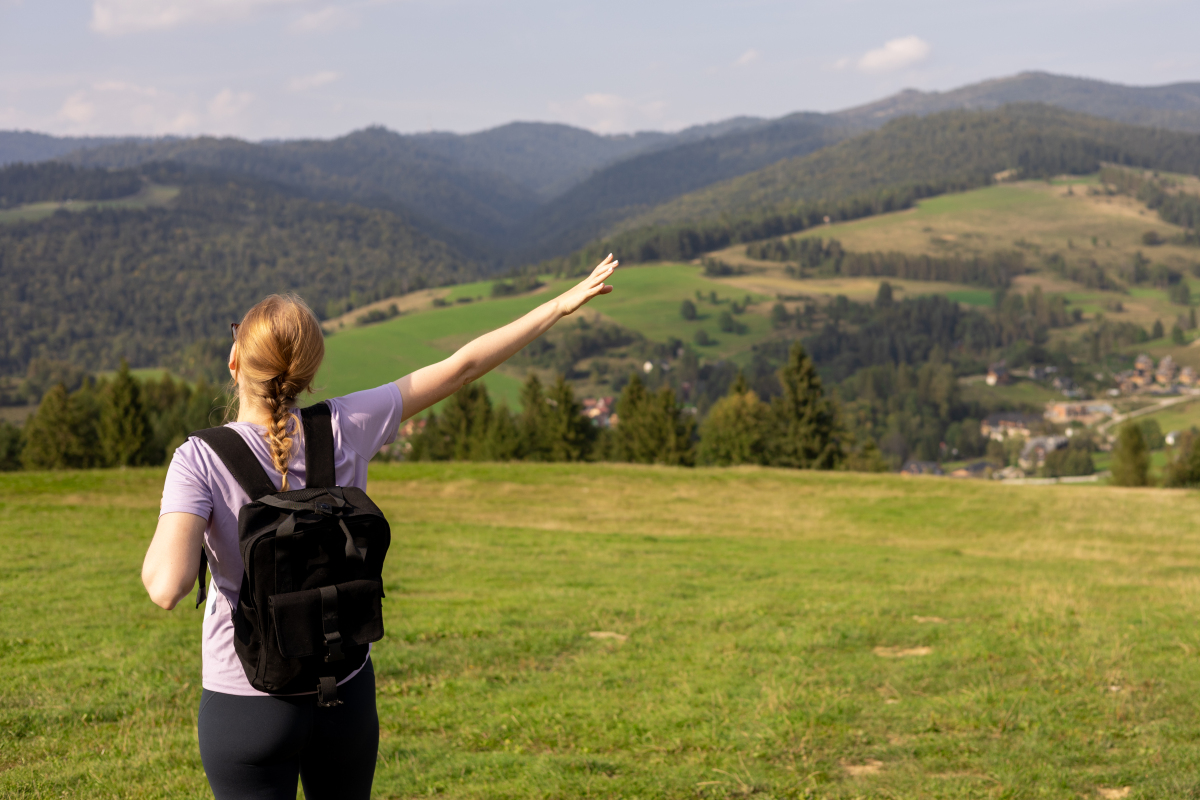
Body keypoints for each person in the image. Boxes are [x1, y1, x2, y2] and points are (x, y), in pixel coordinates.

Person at [141, 255, 618, 799]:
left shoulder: (198, 459)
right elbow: (461, 367)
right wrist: (558, 305)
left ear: (234, 361)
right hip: (342, 692)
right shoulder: (348, 425)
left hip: (247, 704)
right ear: (309, 373)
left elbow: (167, 588)